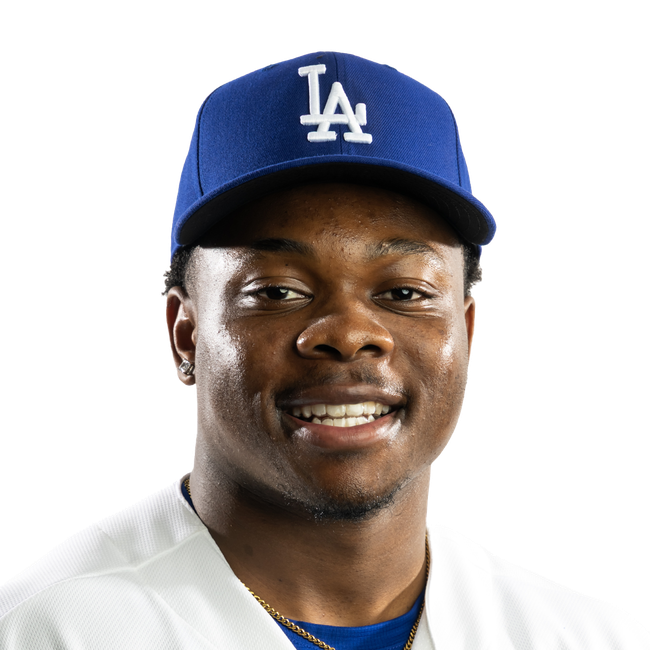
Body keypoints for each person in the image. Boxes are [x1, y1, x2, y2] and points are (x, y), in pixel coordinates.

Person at [1, 51, 647, 650]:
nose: (348, 332)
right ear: (185, 335)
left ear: (467, 331)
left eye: (404, 291)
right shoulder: (47, 631)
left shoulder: (589, 639)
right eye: (278, 291)